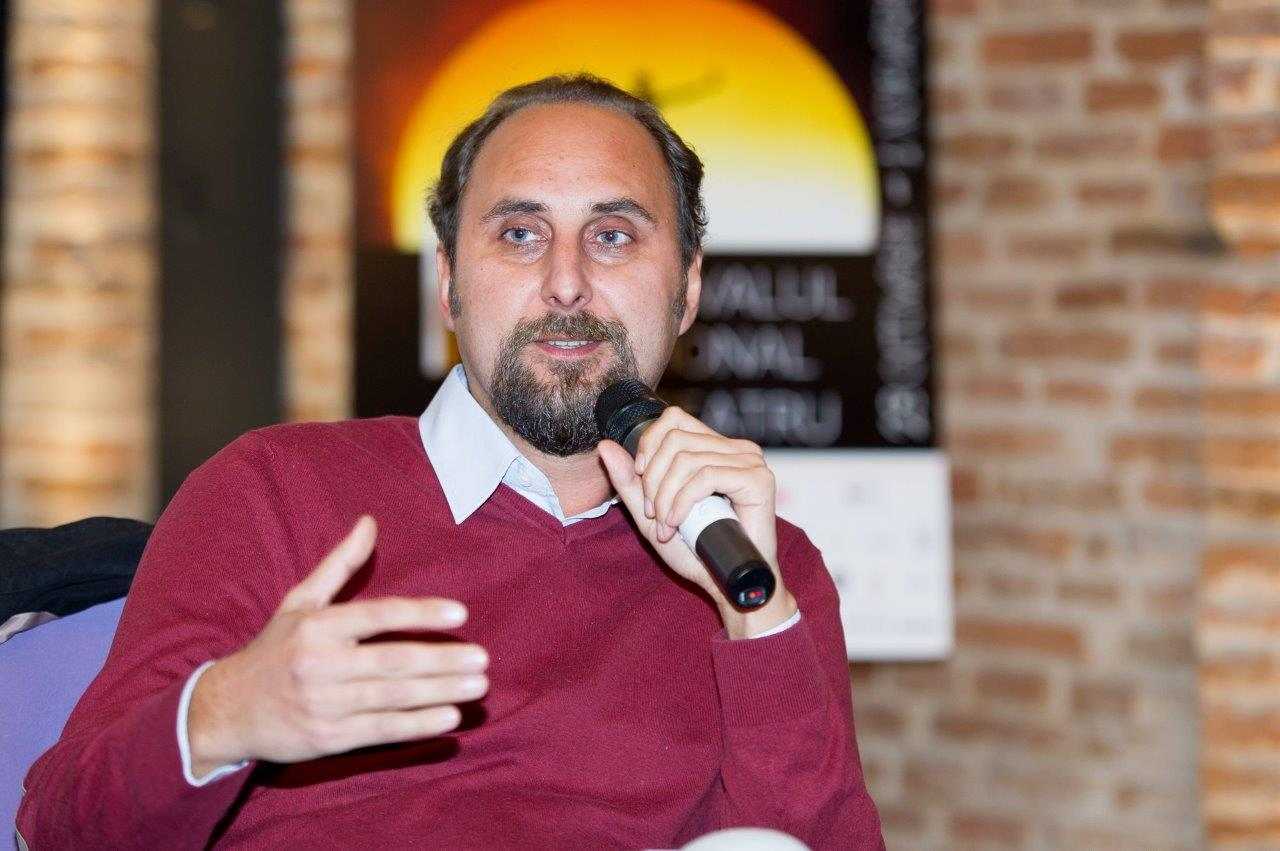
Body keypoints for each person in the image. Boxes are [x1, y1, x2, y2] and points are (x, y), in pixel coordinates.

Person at [16, 74, 884, 850]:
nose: (567, 281)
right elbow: (55, 829)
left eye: (614, 235)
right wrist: (226, 713)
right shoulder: (274, 489)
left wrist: (758, 620)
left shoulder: (761, 562)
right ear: (448, 285)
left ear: (687, 288)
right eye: (520, 233)